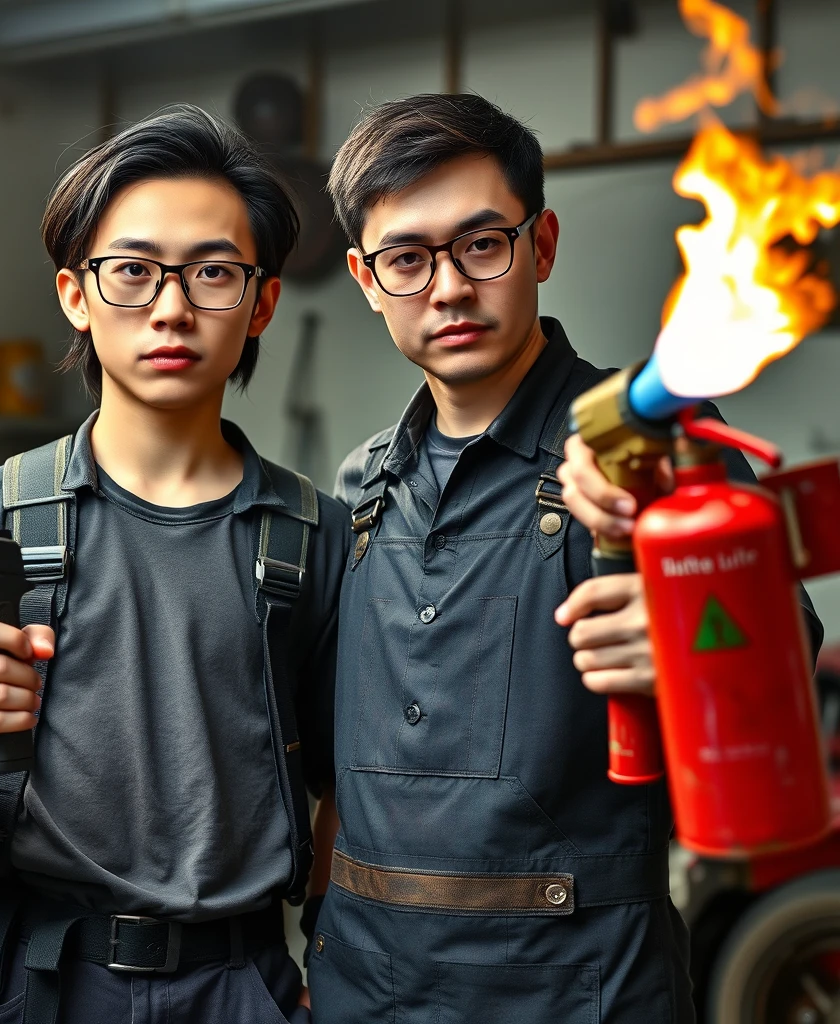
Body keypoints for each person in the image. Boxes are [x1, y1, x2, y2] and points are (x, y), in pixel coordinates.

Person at [308, 92, 821, 1023]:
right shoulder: (361, 488)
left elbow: (782, 664)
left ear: (540, 245)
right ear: (365, 277)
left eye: (481, 244)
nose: (450, 287)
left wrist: (692, 649)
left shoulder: (657, 443)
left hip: (576, 990)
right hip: (364, 986)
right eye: (407, 260)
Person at [0, 106, 348, 1024]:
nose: (170, 307)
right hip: (30, 986)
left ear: (262, 302)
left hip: (242, 989)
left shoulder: (317, 538)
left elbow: (349, 791)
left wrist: (336, 961)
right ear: (76, 294)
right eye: (133, 271)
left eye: (212, 274)